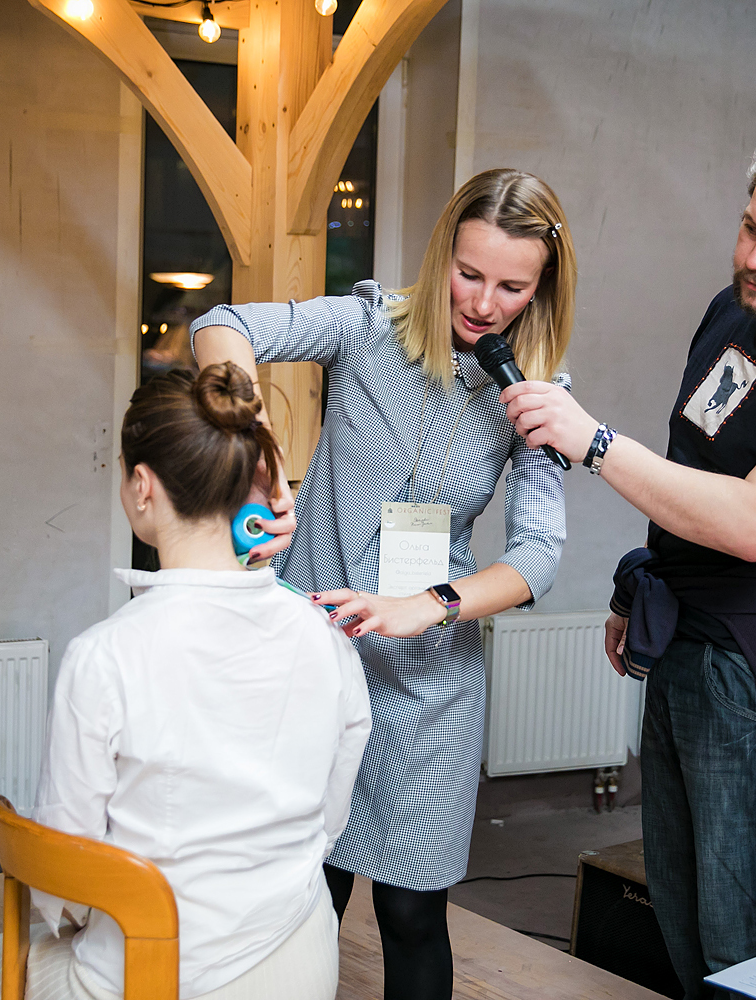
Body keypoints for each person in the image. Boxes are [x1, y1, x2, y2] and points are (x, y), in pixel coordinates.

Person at [499, 126, 756, 998]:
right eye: (751, 227)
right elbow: (693, 474)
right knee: (681, 917)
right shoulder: (735, 311)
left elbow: (752, 523)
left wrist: (594, 441)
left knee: (750, 945)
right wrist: (637, 586)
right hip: (686, 637)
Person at [190, 168, 576, 1000]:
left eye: (512, 287)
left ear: (543, 288)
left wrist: (428, 605)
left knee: (410, 912)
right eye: (468, 274)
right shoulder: (366, 327)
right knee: (305, 900)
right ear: (443, 256)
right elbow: (219, 325)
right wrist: (252, 440)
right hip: (312, 663)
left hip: (428, 680)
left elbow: (540, 553)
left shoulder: (537, 393)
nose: (483, 303)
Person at [0, 363, 371, 1000]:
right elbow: (330, 819)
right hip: (302, 961)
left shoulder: (104, 655)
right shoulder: (327, 638)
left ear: (141, 485)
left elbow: (65, 877)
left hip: (158, 973)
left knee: (1, 962)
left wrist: (82, 919)